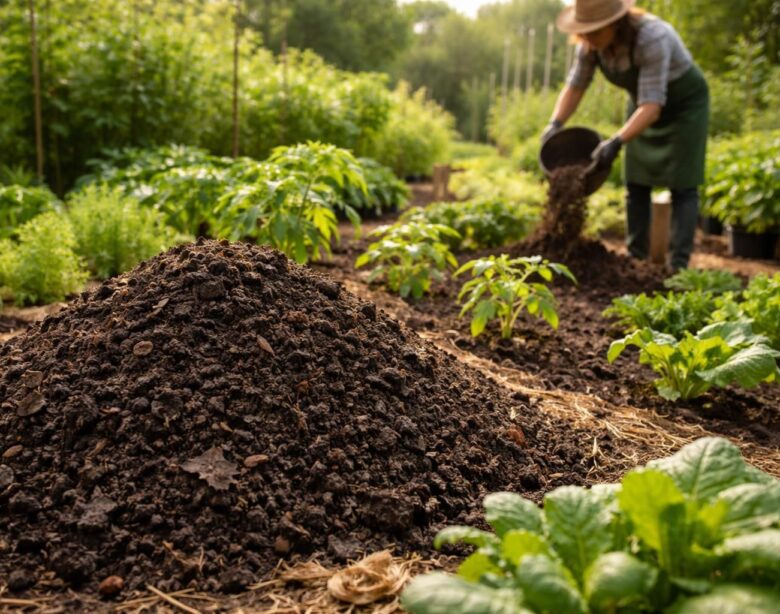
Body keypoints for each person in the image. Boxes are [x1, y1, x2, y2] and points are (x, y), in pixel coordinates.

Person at [542, 0, 709, 270]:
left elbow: (653, 106)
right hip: (642, 105)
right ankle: (636, 261)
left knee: (683, 185)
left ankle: (678, 267)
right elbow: (575, 86)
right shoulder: (590, 46)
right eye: (583, 31)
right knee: (636, 182)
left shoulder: (653, 37)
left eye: (594, 31)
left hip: (683, 107)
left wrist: (617, 141)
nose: (587, 37)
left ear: (615, 23)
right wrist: (555, 123)